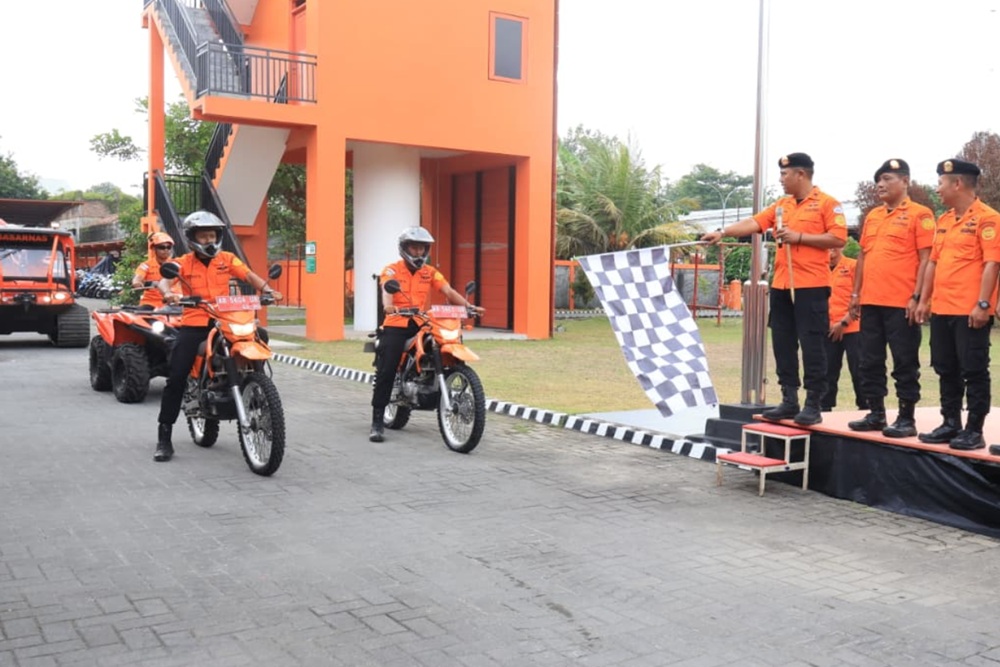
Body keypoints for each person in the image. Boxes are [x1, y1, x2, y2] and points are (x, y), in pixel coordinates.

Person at [702, 152, 847, 425]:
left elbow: (837, 237)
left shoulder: (828, 204)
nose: (781, 179)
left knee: (812, 344)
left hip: (811, 286)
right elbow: (755, 223)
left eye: (785, 174)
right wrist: (723, 232)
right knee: (783, 342)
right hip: (782, 284)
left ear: (800, 174)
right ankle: (789, 399)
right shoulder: (782, 205)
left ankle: (814, 402)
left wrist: (799, 237)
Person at [153, 211, 282, 462]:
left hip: (226, 319)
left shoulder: (227, 258)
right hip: (196, 321)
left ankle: (256, 388)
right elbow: (165, 281)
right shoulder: (183, 262)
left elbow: (248, 275)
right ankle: (164, 435)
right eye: (204, 236)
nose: (209, 240)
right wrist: (169, 293)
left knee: (260, 335)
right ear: (193, 238)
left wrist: (267, 289)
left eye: (212, 235)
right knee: (177, 374)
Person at [914, 159, 1000, 450]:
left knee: (973, 369)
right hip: (942, 309)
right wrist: (924, 300)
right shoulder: (944, 220)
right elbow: (933, 263)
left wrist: (983, 304)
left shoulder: (988, 218)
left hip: (969, 310)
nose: (937, 188)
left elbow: (992, 264)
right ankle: (951, 423)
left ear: (958, 183)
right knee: (945, 367)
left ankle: (974, 430)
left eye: (940, 183)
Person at [847, 159, 935, 438]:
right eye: (878, 181)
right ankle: (876, 413)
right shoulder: (873, 216)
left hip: (901, 303)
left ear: (905, 181)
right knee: (869, 360)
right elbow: (863, 256)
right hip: (871, 301)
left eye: (887, 179)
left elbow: (926, 259)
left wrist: (918, 296)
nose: (881, 185)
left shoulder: (920, 214)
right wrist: (856, 293)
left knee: (904, 361)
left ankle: (906, 417)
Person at [370, 226, 483, 442]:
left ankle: (435, 382)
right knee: (387, 368)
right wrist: (389, 306)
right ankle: (377, 421)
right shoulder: (392, 270)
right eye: (415, 248)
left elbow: (448, 291)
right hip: (397, 322)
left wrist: (470, 306)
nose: (419, 253)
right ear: (405, 249)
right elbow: (386, 290)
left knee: (440, 342)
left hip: (421, 322)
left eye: (422, 249)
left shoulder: (429, 272)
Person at [821, 245, 863, 413]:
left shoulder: (853, 266)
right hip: (829, 328)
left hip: (853, 327)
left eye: (833, 248)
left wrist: (844, 322)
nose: (830, 252)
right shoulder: (820, 269)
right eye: (826, 249)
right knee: (826, 371)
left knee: (860, 371)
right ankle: (824, 408)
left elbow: (862, 296)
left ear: (841, 246)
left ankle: (866, 408)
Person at [131, 232, 177, 309]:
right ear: (154, 248)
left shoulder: (176, 264)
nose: (166, 250)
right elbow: (138, 277)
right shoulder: (146, 265)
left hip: (172, 303)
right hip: (150, 303)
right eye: (162, 247)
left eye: (168, 247)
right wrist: (137, 283)